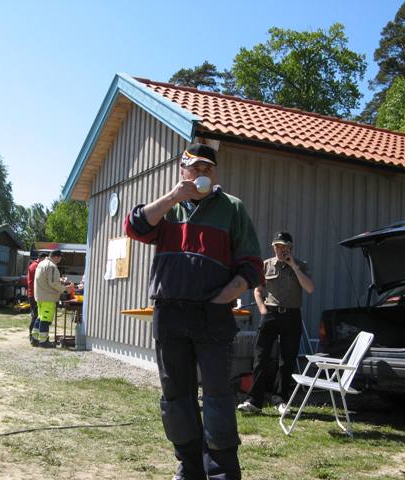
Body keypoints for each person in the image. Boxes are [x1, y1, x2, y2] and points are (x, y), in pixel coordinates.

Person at [124, 143, 263, 480]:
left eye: (207, 169)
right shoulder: (169, 209)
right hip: (169, 314)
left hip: (212, 316)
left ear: (214, 174)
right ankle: (189, 465)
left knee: (217, 396)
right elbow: (135, 227)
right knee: (176, 396)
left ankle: (222, 471)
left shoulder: (232, 208)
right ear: (183, 170)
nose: (202, 174)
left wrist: (222, 298)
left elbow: (251, 265)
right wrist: (173, 196)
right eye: (195, 168)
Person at [237, 232, 315, 415]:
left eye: (283, 246)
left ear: (290, 247)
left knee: (286, 359)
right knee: (260, 356)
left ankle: (280, 400)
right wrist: (262, 309)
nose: (279, 249)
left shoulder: (300, 265)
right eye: (276, 246)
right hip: (270, 314)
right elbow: (258, 290)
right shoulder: (266, 265)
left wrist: (294, 266)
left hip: (291, 315)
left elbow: (310, 288)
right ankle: (254, 401)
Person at [33, 250, 69, 348]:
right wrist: (65, 288)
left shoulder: (41, 263)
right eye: (60, 258)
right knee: (46, 319)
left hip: (40, 295)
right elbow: (53, 283)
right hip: (48, 297)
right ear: (56, 257)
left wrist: (58, 280)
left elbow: (46, 279)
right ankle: (44, 341)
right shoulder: (52, 266)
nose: (60, 260)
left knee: (40, 317)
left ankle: (34, 339)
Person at [27, 252, 48, 346]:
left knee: (36, 316)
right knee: (35, 316)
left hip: (34, 293)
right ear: (42, 258)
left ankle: (34, 337)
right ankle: (33, 338)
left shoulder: (34, 265)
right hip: (34, 294)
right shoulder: (36, 266)